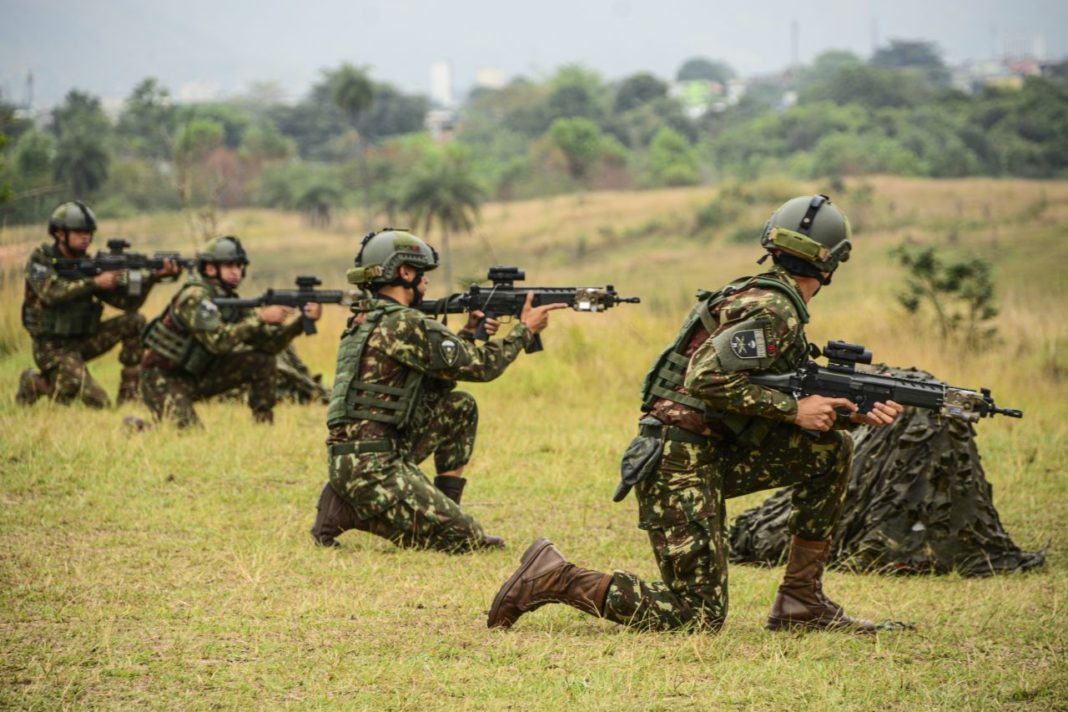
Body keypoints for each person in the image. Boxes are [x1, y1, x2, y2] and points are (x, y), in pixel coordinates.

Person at [488, 194, 904, 633]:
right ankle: (555, 577)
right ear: (831, 263)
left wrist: (839, 413)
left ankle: (801, 601)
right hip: (676, 462)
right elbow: (704, 379)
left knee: (830, 449)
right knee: (696, 615)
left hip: (704, 451)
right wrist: (794, 411)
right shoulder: (774, 309)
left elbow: (759, 390)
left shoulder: (757, 296)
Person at [310, 228, 565, 552]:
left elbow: (435, 382)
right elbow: (483, 367)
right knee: (464, 538)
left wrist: (468, 334)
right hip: (373, 465)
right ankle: (355, 510)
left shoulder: (367, 320)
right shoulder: (405, 323)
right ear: (404, 272)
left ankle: (408, 505)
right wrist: (524, 331)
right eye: (422, 273)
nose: (426, 282)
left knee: (459, 406)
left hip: (358, 456)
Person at [139, 235, 321, 427]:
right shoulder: (194, 297)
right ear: (210, 268)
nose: (236, 272)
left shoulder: (233, 302)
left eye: (239, 266)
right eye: (229, 266)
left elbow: (269, 345)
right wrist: (260, 318)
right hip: (162, 377)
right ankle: (137, 427)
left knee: (262, 360)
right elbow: (218, 342)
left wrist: (300, 323)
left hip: (199, 374)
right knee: (188, 432)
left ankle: (263, 424)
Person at [17, 201, 180, 408]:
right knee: (98, 403)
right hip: (51, 348)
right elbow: (51, 293)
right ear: (59, 234)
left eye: (88, 232)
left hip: (83, 341)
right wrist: (94, 283)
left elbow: (127, 305)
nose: (86, 237)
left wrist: (152, 278)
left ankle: (130, 392)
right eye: (79, 232)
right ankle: (36, 382)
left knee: (135, 321)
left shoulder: (92, 265)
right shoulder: (41, 259)